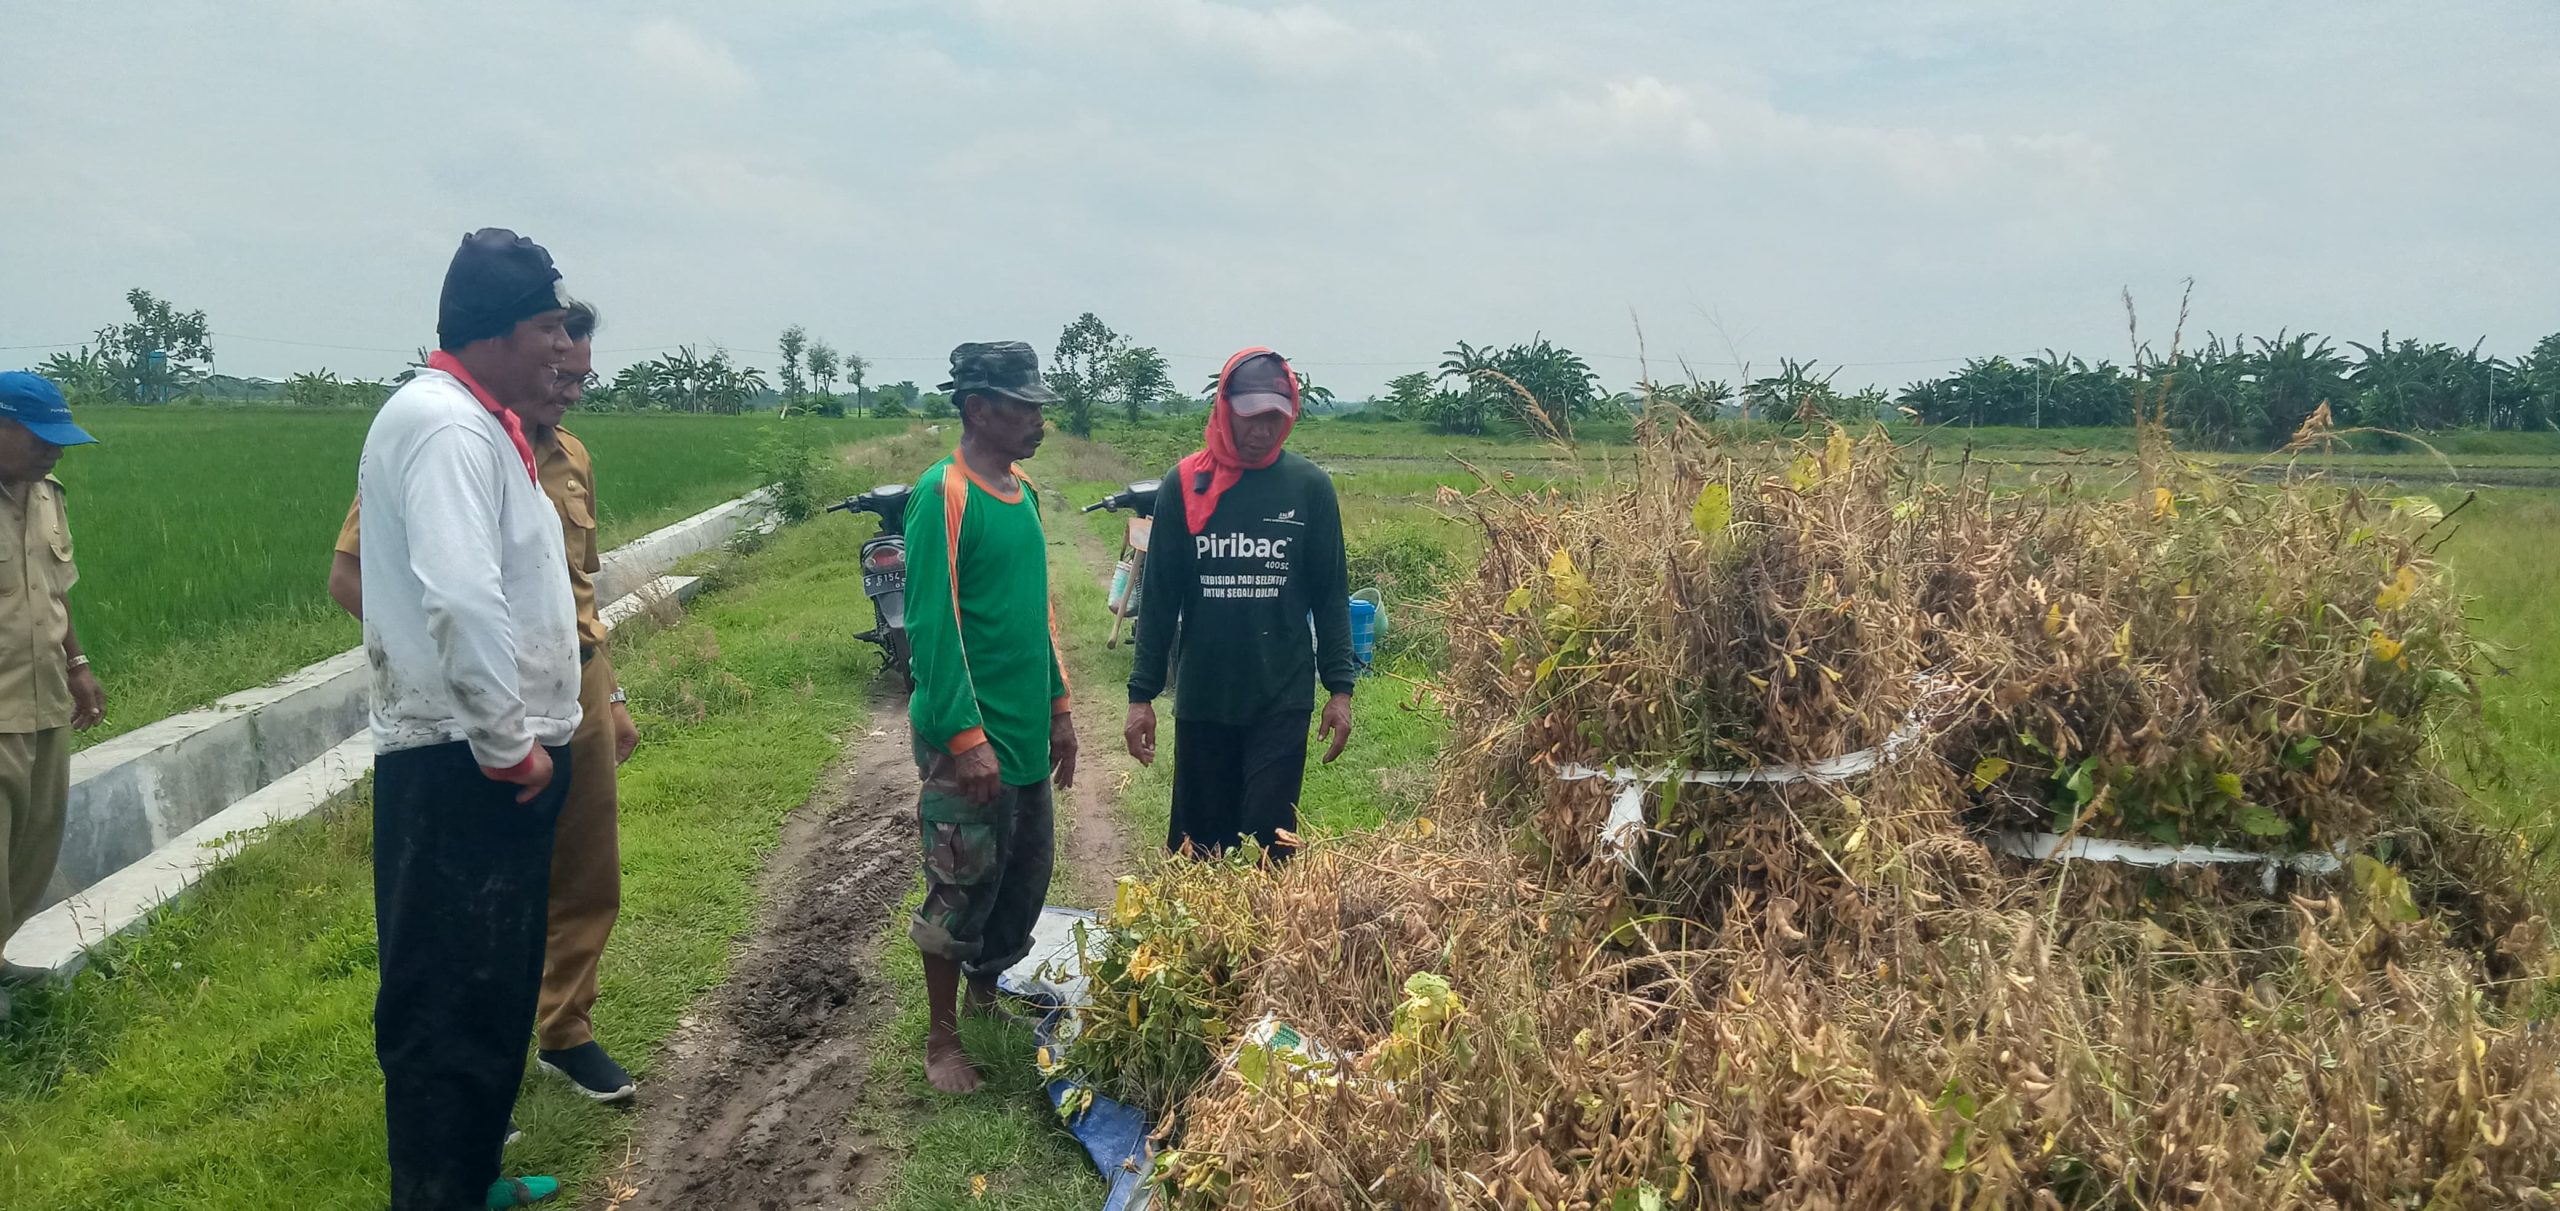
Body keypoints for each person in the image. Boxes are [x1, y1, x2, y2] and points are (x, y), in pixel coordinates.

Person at [327, 301, 641, 1106]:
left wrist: (612, 693)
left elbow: (577, 587)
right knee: (482, 899)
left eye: (581, 376)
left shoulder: (569, 457)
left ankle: (565, 1032)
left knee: (586, 872)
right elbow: (361, 578)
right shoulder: (454, 441)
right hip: (478, 704)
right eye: (560, 368)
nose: (569, 387)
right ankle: (468, 1090)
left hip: (578, 680)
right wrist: (462, 676)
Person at [360, 228, 584, 1210]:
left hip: (487, 756)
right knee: (447, 996)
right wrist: (509, 744)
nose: (561, 345)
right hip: (464, 763)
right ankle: (437, 1191)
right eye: (547, 325)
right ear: (498, 329)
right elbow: (458, 595)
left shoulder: (481, 419)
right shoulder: (448, 426)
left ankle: (472, 1174)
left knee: (491, 983)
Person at [903, 340, 1077, 1095]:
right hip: (968, 738)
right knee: (959, 881)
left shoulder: (1024, 492)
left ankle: (985, 992)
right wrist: (966, 739)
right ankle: (941, 1038)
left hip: (1026, 733)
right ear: (978, 409)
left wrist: (1061, 708)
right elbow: (932, 630)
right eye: (1024, 405)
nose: (1039, 419)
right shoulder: (943, 494)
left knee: (1021, 873)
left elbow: (1035, 614)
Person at [1124, 348, 1354, 858]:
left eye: (1276, 416)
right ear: (1225, 410)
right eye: (1251, 416)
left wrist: (1341, 690)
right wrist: (1141, 697)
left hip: (1282, 694)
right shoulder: (1185, 484)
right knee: (1199, 848)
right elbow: (1159, 599)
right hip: (1206, 695)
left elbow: (1331, 594)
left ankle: (1272, 937)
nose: (1263, 430)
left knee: (1272, 843)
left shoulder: (1309, 487)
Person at [0, 372, 103, 1024]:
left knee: (33, 845)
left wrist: (77, 662)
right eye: (42, 439)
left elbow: (53, 584)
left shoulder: (45, 494)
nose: (54, 452)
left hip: (43, 700)